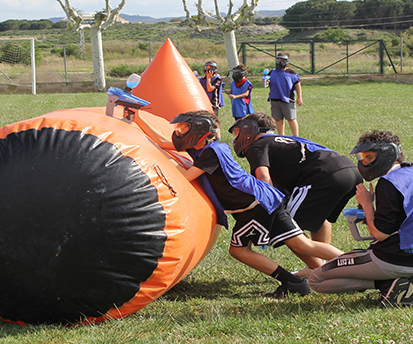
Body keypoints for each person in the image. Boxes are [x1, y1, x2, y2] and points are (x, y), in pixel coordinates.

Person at [136, 110, 344, 298]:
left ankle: (293, 281)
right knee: (302, 245)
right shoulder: (205, 148)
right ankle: (352, 264)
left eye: (184, 129)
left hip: (255, 207)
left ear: (200, 131)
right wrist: (136, 119)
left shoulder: (211, 153)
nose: (179, 133)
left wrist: (159, 160)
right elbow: (163, 141)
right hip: (263, 200)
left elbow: (186, 175)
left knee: (239, 250)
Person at [307, 130, 413, 307]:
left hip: (394, 259)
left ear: (387, 154)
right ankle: (408, 285)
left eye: (369, 158)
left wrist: (367, 204)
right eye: (363, 158)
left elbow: (381, 234)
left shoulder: (389, 182)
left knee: (316, 280)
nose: (364, 163)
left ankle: (386, 285)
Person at [229, 112, 361, 273]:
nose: (236, 138)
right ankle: (322, 265)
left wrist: (270, 207)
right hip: (349, 171)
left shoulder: (257, 145)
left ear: (249, 130)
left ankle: (323, 268)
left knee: (286, 228)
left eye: (237, 132)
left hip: (323, 175)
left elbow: (263, 176)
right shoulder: (283, 140)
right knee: (320, 218)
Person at [267, 53, 303, 136]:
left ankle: (296, 136)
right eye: (279, 60)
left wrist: (299, 97)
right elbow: (268, 81)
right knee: (278, 119)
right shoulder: (273, 71)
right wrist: (266, 82)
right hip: (275, 99)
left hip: (287, 99)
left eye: (282, 60)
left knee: (291, 118)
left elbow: (298, 85)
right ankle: (281, 136)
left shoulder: (292, 73)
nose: (280, 62)